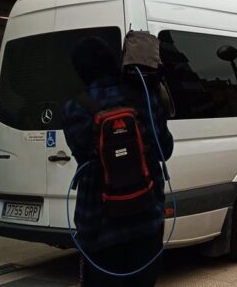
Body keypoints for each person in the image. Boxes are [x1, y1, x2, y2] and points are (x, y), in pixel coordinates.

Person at [63, 36, 173, 287]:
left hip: (98, 225)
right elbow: (164, 150)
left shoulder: (74, 108)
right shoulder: (144, 97)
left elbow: (82, 156)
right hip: (147, 220)